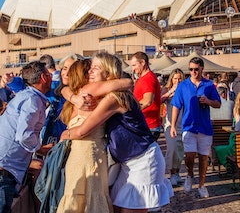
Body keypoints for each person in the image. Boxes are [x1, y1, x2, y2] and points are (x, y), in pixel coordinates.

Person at [60, 52, 173, 213]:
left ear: (108, 73)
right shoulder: (107, 94)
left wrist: (65, 135)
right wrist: (72, 96)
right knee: (113, 207)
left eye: (96, 68)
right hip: (127, 162)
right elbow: (65, 88)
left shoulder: (113, 98)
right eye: (90, 68)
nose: (90, 72)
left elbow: (82, 131)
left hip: (142, 160)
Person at [57, 58, 113, 213]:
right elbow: (124, 83)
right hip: (90, 156)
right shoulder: (89, 95)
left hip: (77, 156)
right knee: (92, 200)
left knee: (76, 200)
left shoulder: (74, 97)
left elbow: (63, 88)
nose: (92, 72)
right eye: (90, 70)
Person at [0, 61, 52, 211]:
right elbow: (24, 136)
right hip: (5, 168)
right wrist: (40, 149)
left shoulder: (27, 96)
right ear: (43, 77)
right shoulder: (32, 100)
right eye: (49, 75)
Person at [170, 57, 221, 198]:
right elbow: (176, 106)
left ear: (202, 69)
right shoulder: (183, 86)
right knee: (190, 155)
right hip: (189, 126)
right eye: (191, 69)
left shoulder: (209, 85)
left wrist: (208, 101)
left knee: (204, 157)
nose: (193, 72)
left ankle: (202, 185)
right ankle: (190, 175)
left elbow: (218, 103)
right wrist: (173, 125)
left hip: (204, 127)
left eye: (196, 69)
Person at [161, 68, 185, 187]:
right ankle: (170, 173)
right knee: (171, 148)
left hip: (182, 124)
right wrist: (170, 91)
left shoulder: (185, 89)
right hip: (170, 124)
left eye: (179, 78)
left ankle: (177, 172)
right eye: (175, 78)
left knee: (180, 150)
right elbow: (159, 100)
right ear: (171, 79)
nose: (177, 81)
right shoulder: (167, 89)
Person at [130, 52, 162, 140]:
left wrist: (130, 111)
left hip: (148, 126)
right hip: (146, 124)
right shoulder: (144, 78)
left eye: (134, 65)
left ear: (143, 63)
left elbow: (147, 101)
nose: (133, 69)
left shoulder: (148, 78)